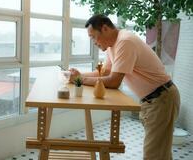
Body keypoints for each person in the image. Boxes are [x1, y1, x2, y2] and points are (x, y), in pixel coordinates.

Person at [69, 14, 180, 160]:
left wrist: (80, 80)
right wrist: (79, 75)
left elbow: (114, 81)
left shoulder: (125, 41)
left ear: (105, 28)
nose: (94, 42)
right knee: (159, 153)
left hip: (162, 98)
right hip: (153, 100)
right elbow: (105, 72)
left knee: (155, 155)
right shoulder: (111, 45)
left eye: (94, 37)